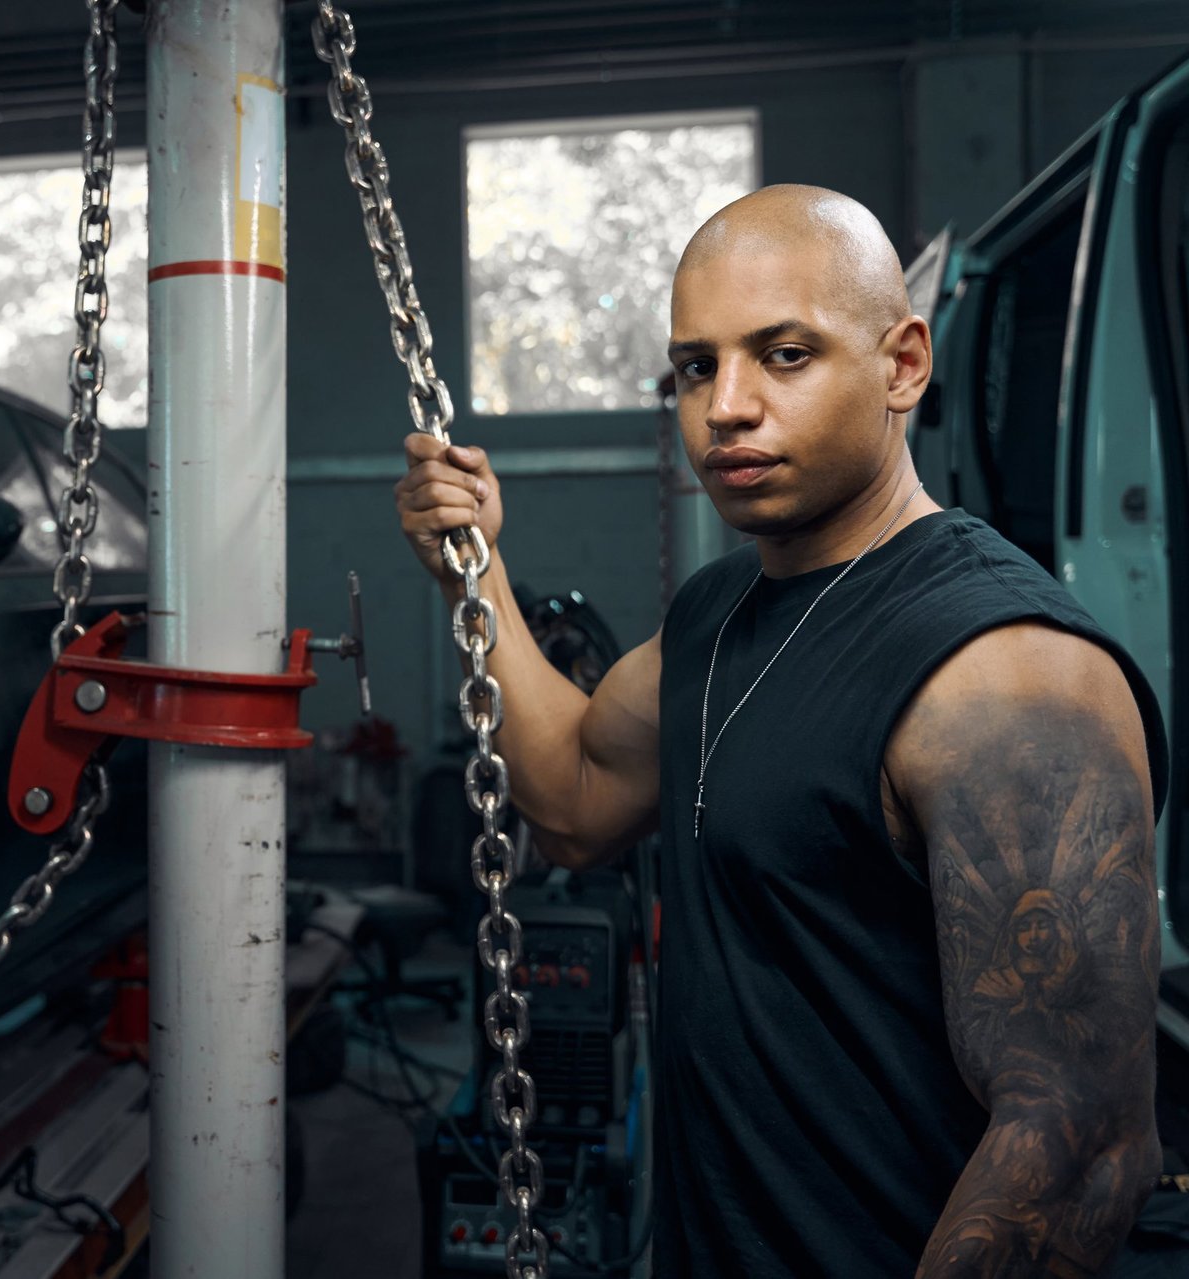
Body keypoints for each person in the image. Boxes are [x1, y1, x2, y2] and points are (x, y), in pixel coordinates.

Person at [394, 184, 1169, 1278]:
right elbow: (573, 798)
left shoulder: (1005, 672)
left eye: (785, 355)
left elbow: (1083, 1144)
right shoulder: (714, 616)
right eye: (696, 367)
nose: (726, 407)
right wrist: (473, 575)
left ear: (903, 365)